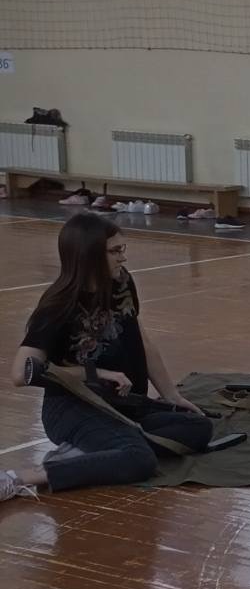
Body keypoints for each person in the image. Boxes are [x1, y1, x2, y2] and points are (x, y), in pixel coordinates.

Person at [4, 214, 212, 502]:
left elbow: (143, 341)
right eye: (115, 251)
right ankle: (22, 477)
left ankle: (96, 450)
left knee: (198, 426)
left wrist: (172, 396)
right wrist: (96, 373)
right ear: (88, 256)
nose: (123, 258)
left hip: (122, 404)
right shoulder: (57, 306)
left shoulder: (121, 283)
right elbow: (21, 373)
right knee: (139, 459)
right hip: (73, 409)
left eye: (122, 249)